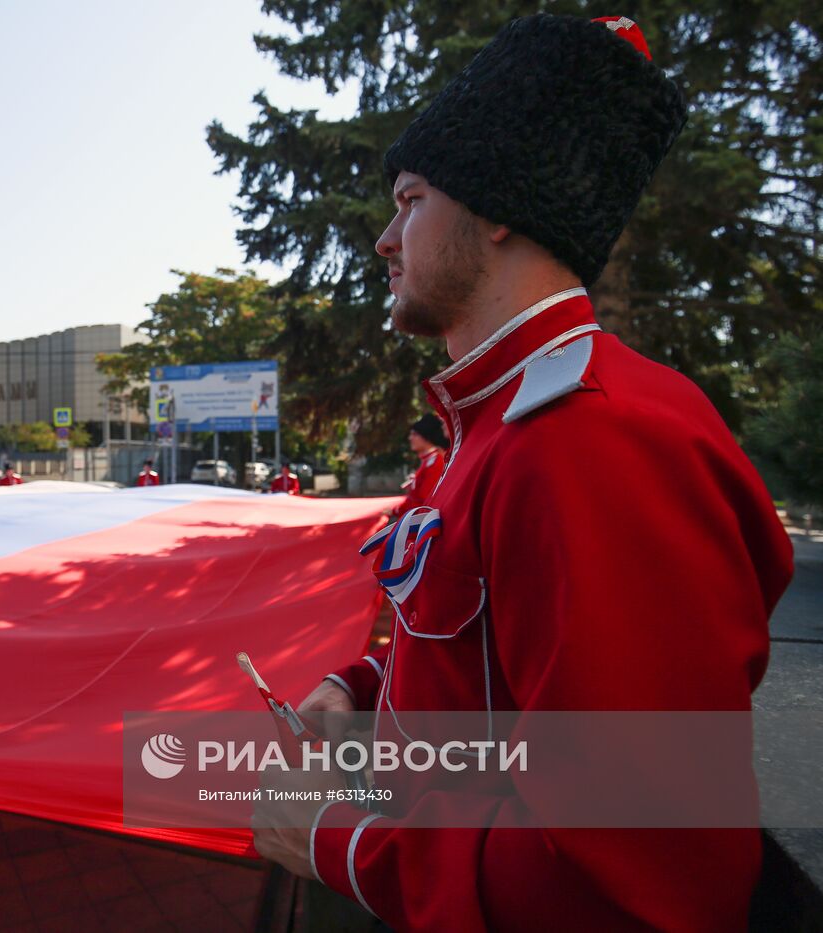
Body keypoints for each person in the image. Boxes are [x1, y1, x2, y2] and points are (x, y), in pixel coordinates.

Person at [249, 15, 795, 932]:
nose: (386, 239)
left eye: (411, 199)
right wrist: (364, 687)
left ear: (498, 207)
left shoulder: (594, 441)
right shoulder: (492, 429)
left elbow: (649, 885)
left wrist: (344, 843)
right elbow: (491, 665)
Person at [391, 413, 447, 516]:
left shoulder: (437, 461)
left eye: (415, 434)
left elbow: (425, 502)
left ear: (426, 436)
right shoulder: (429, 460)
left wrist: (397, 511)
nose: (410, 438)